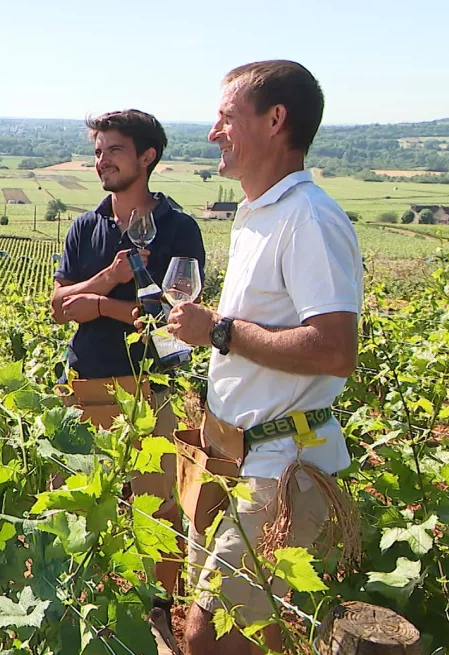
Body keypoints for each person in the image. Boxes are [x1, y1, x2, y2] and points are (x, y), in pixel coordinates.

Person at [166, 60, 362, 655]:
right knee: (257, 637)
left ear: (276, 120)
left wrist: (219, 333)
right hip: (241, 458)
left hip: (283, 469)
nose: (213, 132)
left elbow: (334, 349)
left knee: (210, 637)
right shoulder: (260, 214)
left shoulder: (308, 218)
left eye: (226, 117)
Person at [50, 109, 205, 606]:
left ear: (147, 156)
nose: (102, 161)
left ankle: (154, 612)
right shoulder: (84, 226)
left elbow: (172, 317)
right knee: (78, 510)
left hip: (149, 390)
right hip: (84, 384)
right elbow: (57, 308)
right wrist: (106, 286)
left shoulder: (179, 230)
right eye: (98, 152)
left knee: (154, 515)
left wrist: (96, 306)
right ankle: (81, 608)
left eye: (113, 150)